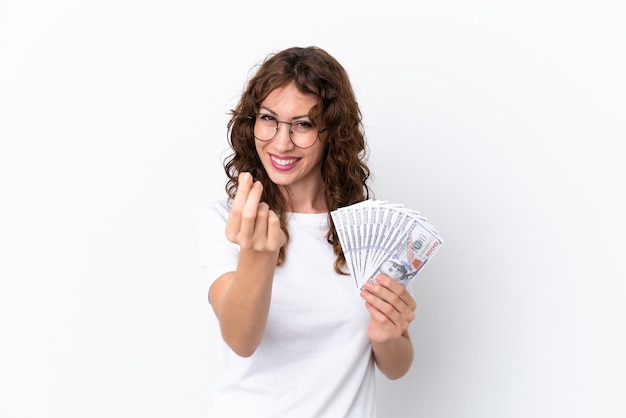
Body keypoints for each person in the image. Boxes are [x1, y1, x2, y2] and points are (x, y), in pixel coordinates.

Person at [194, 46, 417, 417]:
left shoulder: (369, 231)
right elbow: (241, 339)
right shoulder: (221, 221)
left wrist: (387, 334)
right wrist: (258, 254)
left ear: (333, 132)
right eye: (269, 119)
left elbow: (397, 366)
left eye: (303, 124)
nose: (281, 143)